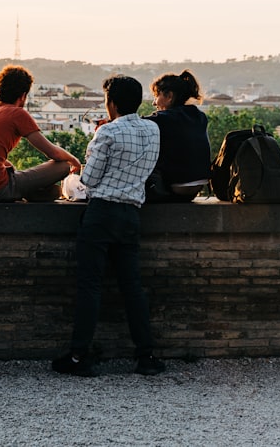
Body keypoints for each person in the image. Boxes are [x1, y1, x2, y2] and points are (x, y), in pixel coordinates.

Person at [52, 75, 164, 377]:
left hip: (101, 213)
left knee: (90, 286)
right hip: (131, 214)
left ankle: (79, 355)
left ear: (111, 103)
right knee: (132, 288)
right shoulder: (153, 130)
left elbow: (90, 179)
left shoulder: (107, 133)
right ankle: (146, 355)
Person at [0, 65, 81, 202]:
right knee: (63, 166)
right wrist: (74, 161)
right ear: (23, 96)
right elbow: (53, 153)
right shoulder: (17, 114)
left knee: (10, 168)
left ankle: (28, 191)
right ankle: (28, 191)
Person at [143, 70, 211, 202]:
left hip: (173, 189)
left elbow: (132, 126)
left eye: (156, 96)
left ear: (169, 96)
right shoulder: (199, 116)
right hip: (196, 189)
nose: (154, 103)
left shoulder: (162, 119)